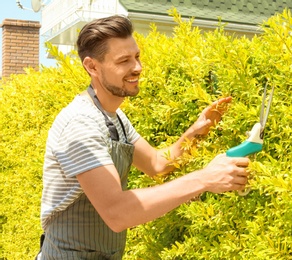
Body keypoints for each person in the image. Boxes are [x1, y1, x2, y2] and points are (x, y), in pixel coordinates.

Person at [38, 15, 250, 259]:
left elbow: (157, 165)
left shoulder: (115, 118)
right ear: (92, 67)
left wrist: (195, 132)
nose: (137, 67)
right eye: (124, 60)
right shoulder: (80, 124)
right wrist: (205, 178)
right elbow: (117, 212)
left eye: (137, 56)